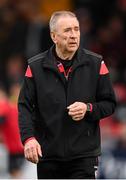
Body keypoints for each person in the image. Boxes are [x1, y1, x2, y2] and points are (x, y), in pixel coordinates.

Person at [18, 10, 116, 179]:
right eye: (67, 30)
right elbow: (24, 106)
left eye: (76, 29)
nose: (73, 35)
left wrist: (88, 108)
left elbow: (110, 103)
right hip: (47, 156)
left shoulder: (96, 63)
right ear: (53, 36)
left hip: (83, 157)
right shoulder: (35, 67)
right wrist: (29, 139)